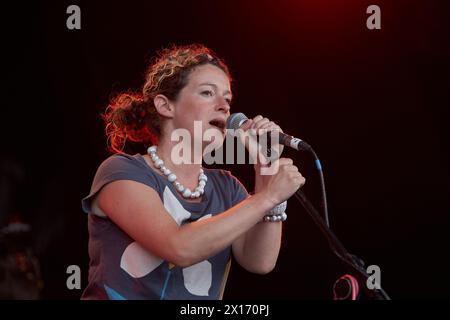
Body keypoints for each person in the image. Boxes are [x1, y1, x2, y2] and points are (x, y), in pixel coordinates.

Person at [80, 44, 305, 300]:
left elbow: (259, 262)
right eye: (208, 93)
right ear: (165, 106)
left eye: (228, 99)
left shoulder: (227, 187)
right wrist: (266, 198)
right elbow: (179, 248)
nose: (224, 106)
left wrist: (267, 169)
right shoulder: (122, 171)